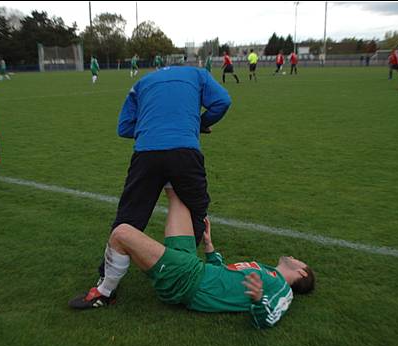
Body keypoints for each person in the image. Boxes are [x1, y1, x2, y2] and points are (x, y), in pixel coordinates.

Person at [69, 65, 232, 308]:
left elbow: (124, 127)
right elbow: (223, 101)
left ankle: (106, 288)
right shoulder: (197, 74)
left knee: (130, 216)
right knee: (196, 209)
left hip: (146, 153)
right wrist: (198, 123)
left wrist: (152, 128)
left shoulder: (142, 82)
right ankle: (185, 273)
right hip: (185, 152)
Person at [70, 187, 316, 330]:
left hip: (189, 281)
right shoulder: (265, 270)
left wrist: (259, 299)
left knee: (121, 233)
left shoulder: (283, 290)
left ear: (302, 273)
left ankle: (104, 293)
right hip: (195, 267)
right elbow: (223, 275)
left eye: (299, 260)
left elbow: (268, 320)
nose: (294, 257)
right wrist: (209, 247)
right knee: (177, 196)